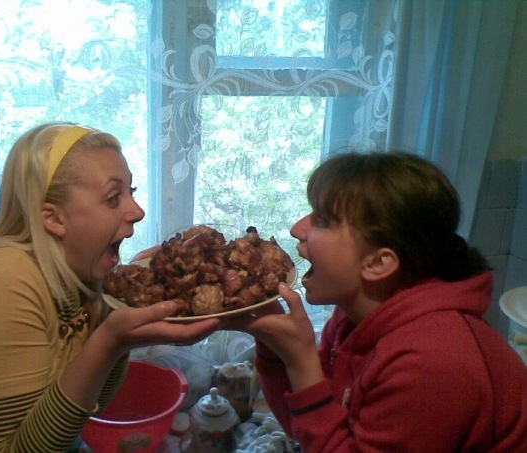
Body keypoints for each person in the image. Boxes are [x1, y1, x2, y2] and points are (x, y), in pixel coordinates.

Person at [0, 122, 219, 451]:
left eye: (131, 192)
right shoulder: (1, 280)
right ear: (54, 218)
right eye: (113, 198)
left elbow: (91, 409)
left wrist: (121, 314)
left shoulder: (80, 275)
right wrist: (110, 341)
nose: (138, 211)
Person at [225, 151, 527, 452]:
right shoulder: (352, 318)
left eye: (323, 220)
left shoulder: (433, 363)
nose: (297, 229)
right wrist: (277, 351)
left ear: (378, 263)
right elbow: (310, 427)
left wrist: (300, 359)